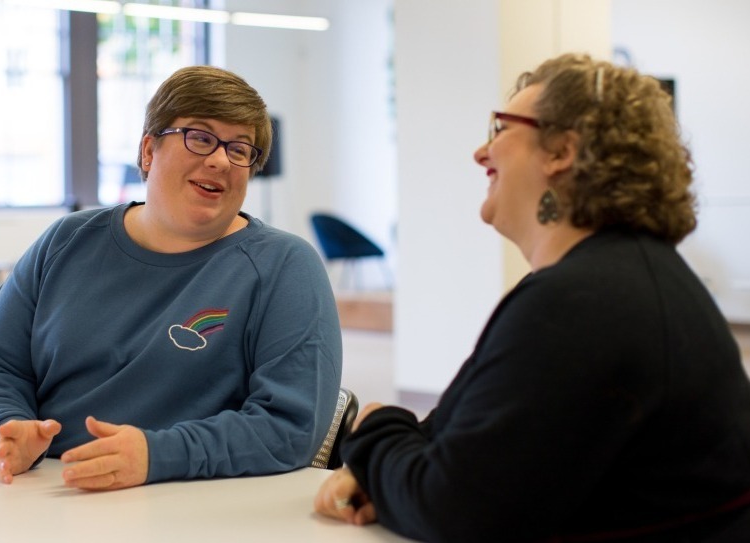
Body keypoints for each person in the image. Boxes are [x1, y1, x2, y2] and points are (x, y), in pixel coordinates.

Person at [314, 53, 750, 542]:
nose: (482, 152)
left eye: (500, 128)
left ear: (561, 150)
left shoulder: (584, 302)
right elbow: (455, 436)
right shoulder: (622, 277)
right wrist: (386, 468)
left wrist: (373, 428)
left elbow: (452, 511)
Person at [0, 65, 342, 491]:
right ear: (147, 150)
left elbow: (292, 426)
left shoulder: (284, 267)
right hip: (49, 492)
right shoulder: (68, 241)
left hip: (192, 502)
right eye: (200, 137)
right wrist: (6, 425)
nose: (219, 159)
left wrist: (158, 455)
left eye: (239, 149)